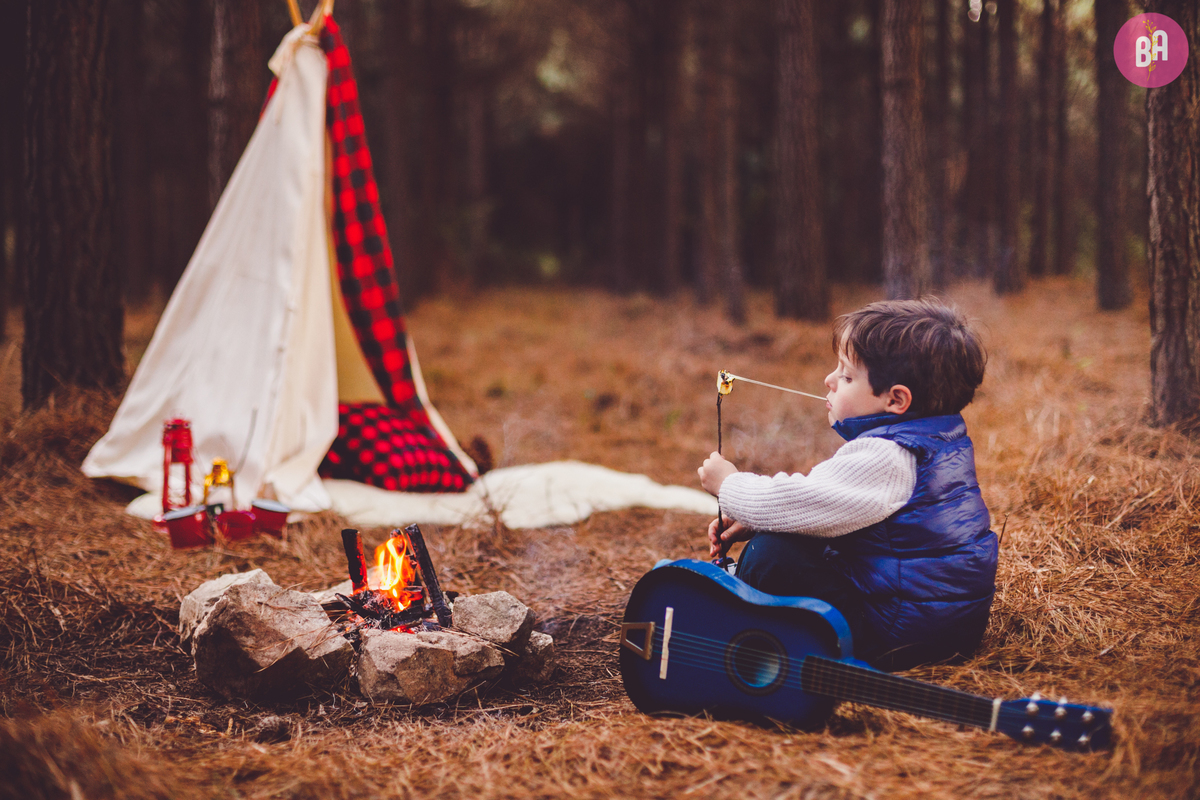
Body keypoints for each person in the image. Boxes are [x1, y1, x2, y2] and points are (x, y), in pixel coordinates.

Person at [697, 298, 997, 670]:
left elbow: (797, 502)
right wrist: (756, 519)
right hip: (938, 626)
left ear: (896, 399)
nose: (829, 380)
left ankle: (739, 634)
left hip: (898, 636)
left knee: (771, 554)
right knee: (785, 538)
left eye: (847, 376)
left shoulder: (888, 457)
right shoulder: (934, 441)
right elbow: (843, 515)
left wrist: (729, 485)